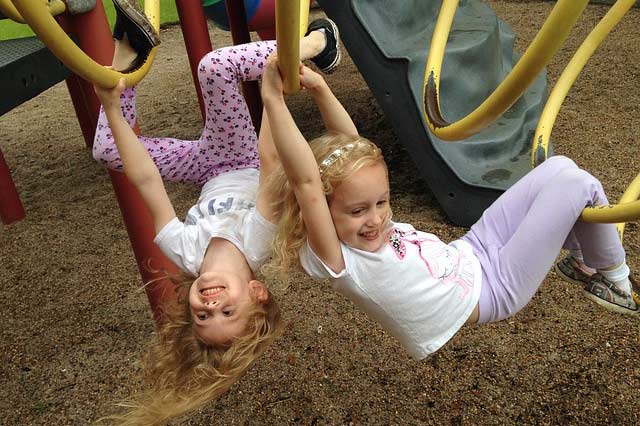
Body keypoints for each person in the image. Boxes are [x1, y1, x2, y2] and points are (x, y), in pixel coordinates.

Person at [260, 57, 639, 362]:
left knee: (560, 167)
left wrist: (322, 89)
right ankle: (617, 281)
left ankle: (581, 261)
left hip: (471, 249)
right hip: (494, 289)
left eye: (381, 202)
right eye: (357, 211)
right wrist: (273, 101)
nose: (374, 219)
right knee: (578, 185)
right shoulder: (338, 258)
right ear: (323, 212)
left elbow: (353, 145)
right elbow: (306, 182)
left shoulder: (355, 214)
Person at [93, 0, 341, 423]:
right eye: (228, 312)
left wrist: (113, 111)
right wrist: (274, 92)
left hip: (206, 167)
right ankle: (318, 42)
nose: (211, 304)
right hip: (243, 157)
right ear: (257, 293)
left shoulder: (184, 251)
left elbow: (147, 181)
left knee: (106, 149)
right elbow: (271, 160)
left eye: (202, 315)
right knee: (213, 68)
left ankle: (129, 48)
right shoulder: (258, 241)